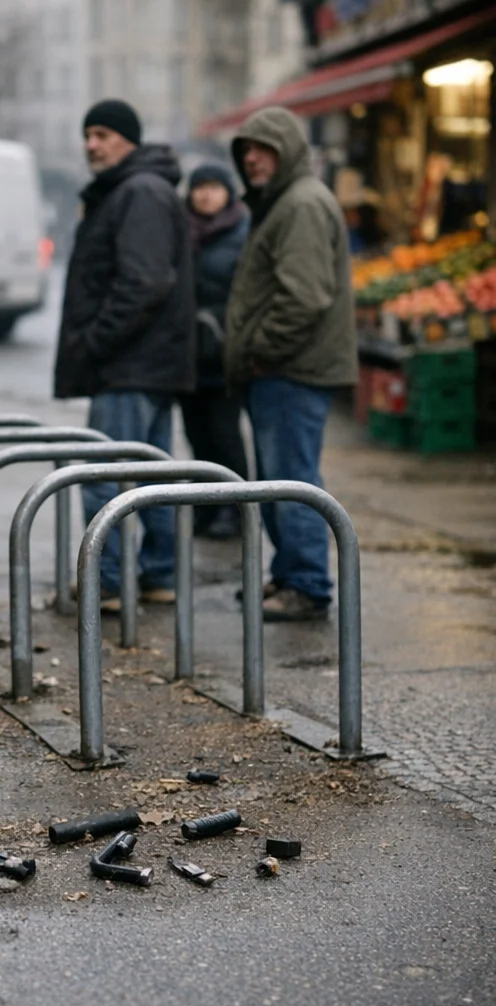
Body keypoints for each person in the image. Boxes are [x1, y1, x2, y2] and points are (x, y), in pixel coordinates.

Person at [54, 98, 195, 611]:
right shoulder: (133, 190)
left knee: (105, 477)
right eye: (87, 135)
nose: (92, 144)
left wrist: (95, 342)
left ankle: (109, 581)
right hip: (144, 364)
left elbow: (145, 282)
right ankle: (157, 576)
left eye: (103, 135)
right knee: (152, 478)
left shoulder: (138, 192)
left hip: (129, 366)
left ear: (128, 140)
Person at [224, 106, 358, 622]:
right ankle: (289, 575)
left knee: (291, 478)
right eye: (246, 151)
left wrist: (260, 350)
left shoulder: (299, 204)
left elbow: (304, 297)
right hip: (282, 369)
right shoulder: (283, 202)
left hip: (290, 370)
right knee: (278, 477)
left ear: (288, 151)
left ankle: (305, 583)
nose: (252, 159)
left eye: (263, 149)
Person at [179, 163, 251, 540]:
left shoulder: (243, 231)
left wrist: (218, 320)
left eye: (213, 187)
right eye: (199, 188)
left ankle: (235, 508)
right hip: (188, 354)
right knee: (197, 435)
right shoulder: (181, 230)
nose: (205, 195)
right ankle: (206, 504)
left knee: (225, 433)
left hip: (224, 353)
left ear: (228, 192)